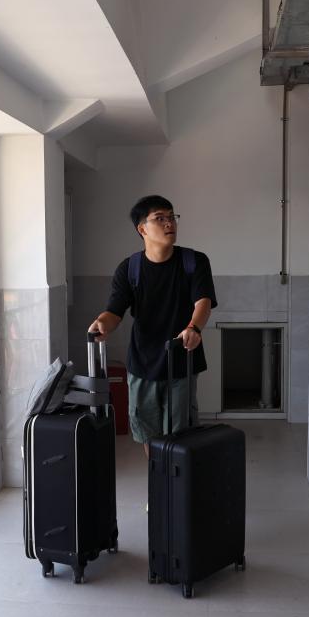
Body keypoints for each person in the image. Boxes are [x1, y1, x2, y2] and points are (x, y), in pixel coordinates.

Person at [88, 195, 217, 458]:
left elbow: (203, 302)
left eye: (172, 217)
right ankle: (158, 480)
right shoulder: (130, 269)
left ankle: (178, 482)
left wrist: (194, 328)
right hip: (142, 364)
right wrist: (102, 323)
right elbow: (114, 311)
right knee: (147, 432)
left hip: (181, 361)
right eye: (160, 218)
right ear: (142, 229)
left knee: (180, 434)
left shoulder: (194, 262)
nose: (170, 223)